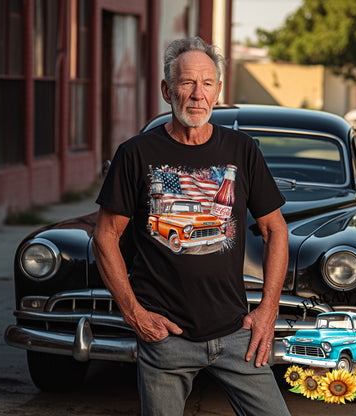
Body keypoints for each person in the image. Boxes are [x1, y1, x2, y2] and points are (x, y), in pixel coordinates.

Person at [92, 36, 291, 416]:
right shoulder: (135, 154)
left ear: (218, 91)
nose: (197, 94)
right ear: (168, 90)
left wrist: (268, 310)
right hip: (166, 338)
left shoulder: (242, 149)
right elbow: (105, 237)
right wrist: (134, 314)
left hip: (237, 334)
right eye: (186, 83)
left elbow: (276, 230)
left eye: (207, 83)